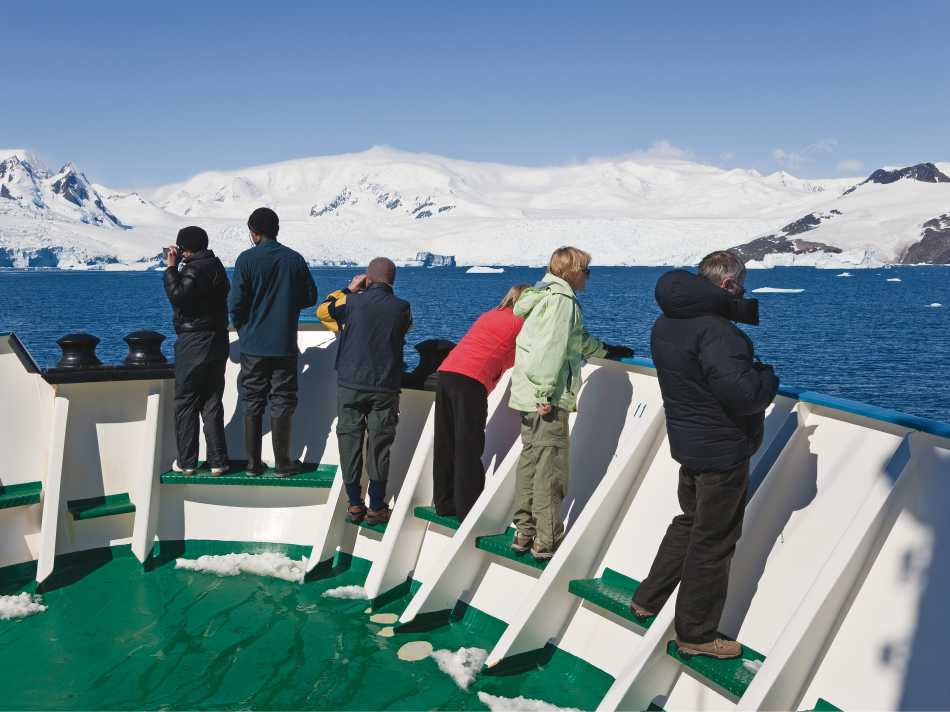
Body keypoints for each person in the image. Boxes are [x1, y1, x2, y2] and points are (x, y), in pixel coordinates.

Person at [630, 250, 779, 660]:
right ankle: (695, 634)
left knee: (690, 521)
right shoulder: (718, 333)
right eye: (742, 284)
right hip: (722, 451)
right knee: (714, 540)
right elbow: (743, 395)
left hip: (689, 442)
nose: (744, 291)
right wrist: (766, 377)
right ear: (728, 284)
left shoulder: (667, 322)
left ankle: (648, 598)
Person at [508, 247, 634, 561]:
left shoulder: (542, 295)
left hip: (528, 394)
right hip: (546, 398)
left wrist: (604, 349)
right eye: (586, 271)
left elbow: (573, 340)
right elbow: (550, 349)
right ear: (573, 272)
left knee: (531, 461)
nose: (588, 276)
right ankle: (547, 539)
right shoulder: (562, 301)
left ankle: (524, 530)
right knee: (550, 467)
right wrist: (545, 394)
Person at [318, 258, 412, 525]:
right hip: (384, 386)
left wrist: (348, 289)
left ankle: (354, 503)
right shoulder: (402, 307)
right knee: (379, 445)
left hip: (350, 384)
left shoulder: (350, 303)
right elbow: (405, 329)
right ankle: (377, 505)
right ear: (393, 280)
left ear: (367, 279)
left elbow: (323, 312)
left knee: (349, 442)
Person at [228, 207, 318, 476]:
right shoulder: (294, 259)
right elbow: (310, 297)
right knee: (282, 400)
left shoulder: (246, 260)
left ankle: (253, 463)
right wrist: (287, 302)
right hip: (284, 344)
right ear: (276, 230)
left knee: (252, 400)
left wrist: (244, 329)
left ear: (254, 233)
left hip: (253, 344)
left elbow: (235, 303)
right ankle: (282, 463)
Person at [432, 284, 530, 521]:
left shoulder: (490, 315)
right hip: (471, 380)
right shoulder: (522, 323)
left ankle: (444, 502)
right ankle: (468, 509)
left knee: (446, 441)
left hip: (447, 372)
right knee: (469, 443)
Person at [164, 226, 230, 476]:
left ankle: (187, 462)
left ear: (184, 249)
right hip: (218, 338)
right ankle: (218, 461)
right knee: (212, 400)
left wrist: (171, 269)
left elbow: (178, 296)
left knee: (186, 401)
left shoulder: (192, 269)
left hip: (193, 340)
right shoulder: (216, 266)